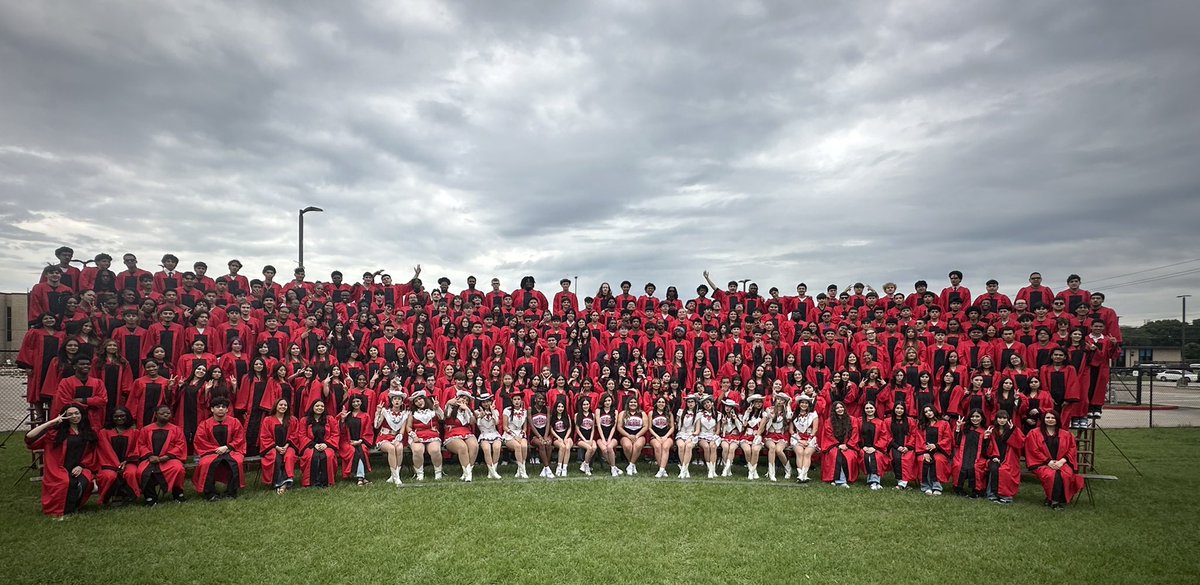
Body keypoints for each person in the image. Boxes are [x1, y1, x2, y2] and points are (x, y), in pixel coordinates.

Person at [25, 405, 98, 518]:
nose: (74, 416)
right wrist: (51, 422)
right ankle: (60, 511)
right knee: (65, 483)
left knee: (86, 481)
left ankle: (73, 507)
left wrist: (81, 466)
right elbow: (29, 437)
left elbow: (90, 453)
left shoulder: (87, 432)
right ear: (65, 416)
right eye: (70, 414)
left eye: (77, 413)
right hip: (58, 468)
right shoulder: (55, 433)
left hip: (78, 467)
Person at [1025, 411, 1084, 509]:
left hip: (1062, 463)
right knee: (1052, 475)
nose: (1050, 420)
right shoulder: (1034, 433)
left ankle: (1051, 499)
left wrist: (1062, 461)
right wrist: (1048, 461)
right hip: (1041, 463)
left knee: (1065, 475)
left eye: (1053, 418)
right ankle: (1055, 502)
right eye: (1047, 418)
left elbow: (1072, 449)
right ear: (1043, 419)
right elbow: (1034, 450)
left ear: (1057, 420)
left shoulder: (1066, 434)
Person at [191, 397, 247, 500]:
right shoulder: (205, 424)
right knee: (205, 463)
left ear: (227, 409)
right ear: (212, 409)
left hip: (231, 450)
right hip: (211, 452)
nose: (220, 409)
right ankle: (210, 494)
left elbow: (240, 438)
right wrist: (217, 449)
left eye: (223, 407)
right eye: (217, 407)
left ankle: (231, 493)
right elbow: (200, 441)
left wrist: (228, 447)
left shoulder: (235, 422)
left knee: (237, 462)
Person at [134, 404, 188, 505]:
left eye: (168, 413)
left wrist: (166, 457)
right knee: (141, 471)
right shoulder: (146, 429)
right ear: (156, 415)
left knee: (178, 469)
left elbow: (180, 445)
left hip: (169, 459)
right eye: (162, 413)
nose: (166, 415)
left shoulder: (176, 429)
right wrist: (150, 455)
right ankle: (150, 497)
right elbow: (141, 444)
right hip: (150, 459)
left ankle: (178, 494)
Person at [96, 407, 141, 505]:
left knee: (131, 473)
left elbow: (136, 449)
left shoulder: (134, 432)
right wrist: (117, 465)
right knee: (108, 476)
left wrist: (126, 461)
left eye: (122, 416)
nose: (119, 418)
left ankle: (131, 497)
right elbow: (105, 450)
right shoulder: (104, 432)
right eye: (116, 416)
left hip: (128, 461)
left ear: (127, 417)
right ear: (111, 418)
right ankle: (107, 498)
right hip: (109, 462)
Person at [979, 409, 1024, 504]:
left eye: (1004, 418)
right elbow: (986, 447)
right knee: (994, 468)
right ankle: (992, 494)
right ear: (996, 419)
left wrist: (1012, 431)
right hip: (994, 456)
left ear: (1008, 419)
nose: (1002, 420)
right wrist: (986, 438)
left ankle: (1005, 495)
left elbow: (1020, 444)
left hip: (1009, 457)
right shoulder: (992, 429)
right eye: (999, 418)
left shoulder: (1014, 429)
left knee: (1004, 471)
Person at [295, 400, 340, 487]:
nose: (320, 408)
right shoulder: (304, 420)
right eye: (317, 406)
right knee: (310, 456)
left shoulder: (329, 419)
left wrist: (326, 444)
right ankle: (311, 482)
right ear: (312, 407)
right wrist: (314, 444)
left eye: (322, 406)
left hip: (326, 444)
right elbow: (302, 435)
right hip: (310, 445)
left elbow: (335, 434)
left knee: (329, 455)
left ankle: (327, 481)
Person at [259, 398, 298, 494]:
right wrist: (276, 447)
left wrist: (287, 445)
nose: (283, 407)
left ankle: (286, 482)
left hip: (288, 446)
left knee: (289, 456)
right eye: (280, 405)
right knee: (274, 458)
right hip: (272, 447)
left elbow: (295, 434)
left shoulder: (292, 420)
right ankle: (279, 483)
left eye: (285, 405)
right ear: (276, 406)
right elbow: (265, 436)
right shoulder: (268, 420)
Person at [819, 401, 860, 488]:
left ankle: (840, 480)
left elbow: (855, 434)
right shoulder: (829, 421)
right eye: (837, 408)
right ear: (834, 410)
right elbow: (828, 435)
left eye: (841, 407)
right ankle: (840, 480)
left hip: (849, 446)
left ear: (844, 408)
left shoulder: (852, 420)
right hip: (833, 445)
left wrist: (847, 445)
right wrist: (837, 445)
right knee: (835, 455)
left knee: (848, 456)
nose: (840, 409)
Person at [405, 390, 444, 481]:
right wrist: (414, 436)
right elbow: (409, 427)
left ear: (424, 399)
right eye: (416, 401)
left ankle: (438, 472)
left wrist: (437, 408)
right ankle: (419, 473)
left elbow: (442, 418)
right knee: (417, 450)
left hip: (432, 434)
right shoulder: (412, 413)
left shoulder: (433, 409)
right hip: (418, 436)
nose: (419, 402)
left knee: (435, 450)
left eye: (420, 399)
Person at [915, 404, 952, 495]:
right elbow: (919, 439)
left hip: (939, 450)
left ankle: (936, 486)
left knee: (938, 460)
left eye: (930, 410)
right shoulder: (921, 425)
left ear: (934, 411)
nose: (928, 413)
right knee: (922, 460)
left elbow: (948, 438)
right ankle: (926, 486)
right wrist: (925, 452)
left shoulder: (944, 423)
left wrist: (936, 445)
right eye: (926, 412)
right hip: (924, 450)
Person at [338, 394, 375, 485]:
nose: (355, 403)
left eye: (358, 401)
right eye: (353, 402)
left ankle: (360, 477)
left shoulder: (365, 415)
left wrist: (360, 441)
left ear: (361, 402)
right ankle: (361, 478)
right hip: (347, 441)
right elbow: (340, 431)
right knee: (353, 450)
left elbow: (368, 431)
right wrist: (342, 420)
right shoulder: (346, 415)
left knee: (362, 450)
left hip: (361, 440)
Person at [443, 390, 479, 482]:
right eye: (462, 398)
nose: (464, 401)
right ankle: (468, 474)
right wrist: (448, 403)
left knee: (474, 446)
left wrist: (467, 409)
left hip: (466, 431)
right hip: (452, 432)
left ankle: (467, 472)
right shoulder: (451, 407)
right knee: (462, 447)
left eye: (466, 400)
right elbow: (445, 416)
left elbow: (472, 422)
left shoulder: (467, 410)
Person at [375, 390, 409, 486]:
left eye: (399, 399)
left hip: (396, 437)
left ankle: (394, 475)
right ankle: (396, 477)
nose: (397, 401)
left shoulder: (404, 414)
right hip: (384, 436)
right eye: (395, 399)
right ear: (391, 401)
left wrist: (398, 438)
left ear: (402, 402)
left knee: (399, 448)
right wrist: (378, 413)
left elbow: (402, 429)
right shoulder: (385, 412)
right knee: (391, 448)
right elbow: (376, 426)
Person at [950, 409, 987, 497]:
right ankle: (958, 489)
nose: (975, 418)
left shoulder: (984, 431)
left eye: (977, 416)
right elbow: (956, 443)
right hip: (962, 455)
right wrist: (958, 428)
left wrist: (986, 439)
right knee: (958, 465)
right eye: (972, 416)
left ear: (982, 418)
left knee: (977, 467)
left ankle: (977, 491)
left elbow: (986, 450)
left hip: (978, 457)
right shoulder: (964, 429)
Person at [858, 402, 889, 490]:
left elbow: (884, 437)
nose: (869, 410)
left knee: (876, 458)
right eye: (867, 408)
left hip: (877, 448)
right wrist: (862, 446)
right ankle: (873, 481)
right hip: (863, 447)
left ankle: (875, 481)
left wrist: (875, 448)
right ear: (864, 410)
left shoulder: (880, 422)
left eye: (871, 408)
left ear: (875, 409)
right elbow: (856, 435)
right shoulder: (859, 421)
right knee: (867, 458)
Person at [760, 396, 791, 482]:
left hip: (781, 436)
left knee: (779, 450)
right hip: (770, 435)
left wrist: (788, 405)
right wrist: (770, 415)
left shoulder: (786, 411)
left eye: (782, 400)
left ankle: (788, 469)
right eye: (778, 399)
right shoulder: (769, 409)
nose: (780, 401)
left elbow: (789, 417)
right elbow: (766, 420)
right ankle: (771, 473)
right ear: (775, 400)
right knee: (772, 448)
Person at [886, 402, 917, 489]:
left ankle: (903, 484)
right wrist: (897, 447)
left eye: (901, 409)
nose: (899, 410)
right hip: (894, 446)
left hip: (908, 446)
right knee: (896, 458)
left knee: (907, 459)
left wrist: (907, 447)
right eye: (897, 408)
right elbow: (887, 436)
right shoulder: (888, 421)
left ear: (904, 410)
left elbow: (913, 435)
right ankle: (901, 482)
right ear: (894, 409)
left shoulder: (910, 421)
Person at [790, 395, 819, 484]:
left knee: (807, 453)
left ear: (809, 404)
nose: (804, 404)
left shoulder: (813, 414)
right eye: (802, 402)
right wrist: (799, 440)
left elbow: (815, 429)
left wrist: (808, 440)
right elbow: (791, 430)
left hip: (810, 438)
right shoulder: (794, 414)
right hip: (797, 438)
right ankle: (801, 475)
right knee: (800, 452)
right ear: (799, 404)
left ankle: (803, 475)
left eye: (806, 403)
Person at [475, 393, 504, 480]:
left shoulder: (495, 411)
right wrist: (480, 416)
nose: (486, 404)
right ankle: (492, 471)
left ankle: (493, 471)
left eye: (487, 402)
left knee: (497, 447)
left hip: (494, 433)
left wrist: (493, 411)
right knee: (486, 449)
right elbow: (478, 425)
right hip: (484, 434)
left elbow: (497, 423)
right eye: (483, 402)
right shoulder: (477, 412)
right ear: (481, 403)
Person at [616, 395, 648, 475]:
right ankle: (632, 464)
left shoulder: (642, 413)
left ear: (637, 404)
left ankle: (630, 465)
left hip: (639, 435)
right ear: (628, 403)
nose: (633, 404)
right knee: (627, 446)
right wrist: (628, 436)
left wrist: (637, 435)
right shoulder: (623, 413)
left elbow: (645, 426)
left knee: (637, 446)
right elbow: (619, 427)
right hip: (626, 434)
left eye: (634, 402)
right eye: (631, 402)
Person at [502, 392, 530, 479]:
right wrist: (514, 436)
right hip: (509, 434)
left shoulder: (524, 412)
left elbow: (525, 427)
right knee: (518, 446)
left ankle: (520, 469)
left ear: (521, 401)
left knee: (524, 446)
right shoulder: (507, 411)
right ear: (512, 401)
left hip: (520, 433)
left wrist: (521, 435)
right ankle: (523, 471)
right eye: (515, 399)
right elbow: (505, 427)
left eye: (518, 399)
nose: (517, 401)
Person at [647, 396, 675, 478]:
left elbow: (672, 427)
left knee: (665, 447)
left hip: (667, 436)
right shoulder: (651, 413)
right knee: (657, 446)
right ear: (656, 403)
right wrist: (657, 437)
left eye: (663, 402)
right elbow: (649, 427)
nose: (661, 404)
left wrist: (666, 436)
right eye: (659, 402)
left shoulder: (669, 414)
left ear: (665, 404)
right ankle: (662, 469)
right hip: (655, 436)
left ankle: (661, 470)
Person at [595, 393, 621, 476]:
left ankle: (613, 468)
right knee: (604, 450)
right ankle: (613, 466)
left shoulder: (615, 411)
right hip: (601, 435)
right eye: (605, 401)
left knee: (609, 447)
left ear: (612, 401)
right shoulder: (598, 411)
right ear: (602, 401)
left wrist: (609, 439)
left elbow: (614, 427)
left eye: (609, 400)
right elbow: (598, 425)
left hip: (612, 436)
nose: (607, 402)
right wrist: (603, 439)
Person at [548, 396, 575, 477]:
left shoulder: (567, 416)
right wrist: (559, 438)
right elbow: (551, 429)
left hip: (567, 436)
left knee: (567, 447)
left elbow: (570, 427)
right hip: (557, 437)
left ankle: (565, 467)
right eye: (559, 406)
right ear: (556, 407)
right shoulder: (553, 416)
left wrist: (566, 437)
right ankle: (559, 466)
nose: (560, 408)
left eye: (562, 406)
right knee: (562, 446)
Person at [674, 394, 700, 478]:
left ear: (695, 403)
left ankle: (683, 469)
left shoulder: (698, 414)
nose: (690, 403)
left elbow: (697, 430)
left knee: (688, 446)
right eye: (688, 402)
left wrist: (691, 437)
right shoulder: (681, 412)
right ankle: (685, 470)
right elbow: (677, 426)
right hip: (681, 434)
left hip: (692, 434)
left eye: (692, 401)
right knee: (681, 446)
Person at [696, 395, 721, 478]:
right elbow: (698, 428)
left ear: (712, 403)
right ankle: (709, 468)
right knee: (706, 447)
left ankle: (713, 469)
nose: (707, 405)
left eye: (708, 402)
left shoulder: (718, 414)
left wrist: (715, 436)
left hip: (713, 435)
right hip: (702, 435)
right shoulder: (700, 414)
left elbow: (718, 429)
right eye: (705, 403)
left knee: (713, 447)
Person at [573, 395, 598, 476]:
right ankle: (587, 466)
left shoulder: (593, 415)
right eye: (584, 404)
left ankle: (584, 463)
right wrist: (584, 439)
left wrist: (590, 439)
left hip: (590, 437)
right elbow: (577, 429)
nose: (586, 406)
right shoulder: (577, 415)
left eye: (587, 404)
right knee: (590, 448)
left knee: (594, 447)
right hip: (580, 438)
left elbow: (593, 428)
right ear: (581, 405)